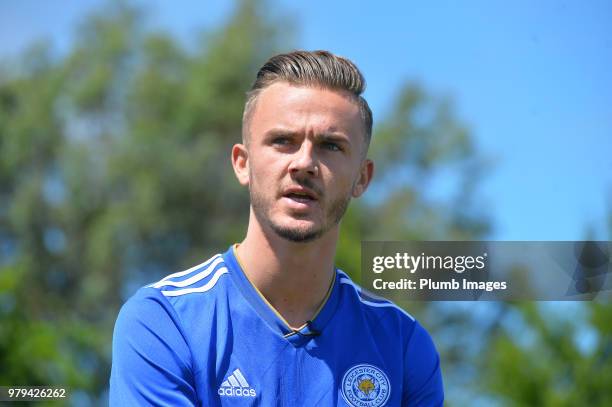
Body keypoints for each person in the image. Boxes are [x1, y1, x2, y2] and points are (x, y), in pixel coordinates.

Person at [110, 50, 444, 406]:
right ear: (243, 163)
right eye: (283, 141)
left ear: (362, 178)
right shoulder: (164, 320)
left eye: (331, 145)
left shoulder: (403, 344)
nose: (304, 163)